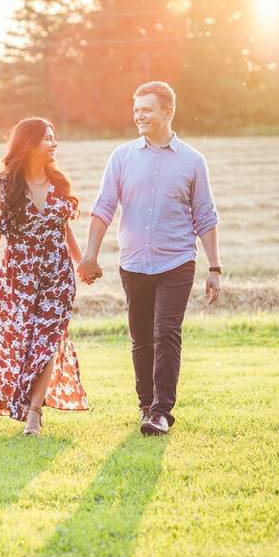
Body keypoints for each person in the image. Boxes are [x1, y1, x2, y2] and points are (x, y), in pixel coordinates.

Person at [77, 81, 221, 436]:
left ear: (167, 112)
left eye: (147, 109)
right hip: (134, 263)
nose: (138, 115)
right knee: (141, 338)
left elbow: (205, 215)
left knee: (167, 333)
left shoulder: (192, 161)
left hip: (177, 262)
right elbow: (104, 207)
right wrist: (90, 255)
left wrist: (214, 267)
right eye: (136, 108)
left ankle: (161, 411)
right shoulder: (122, 157)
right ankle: (146, 405)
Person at [0, 118, 88, 436]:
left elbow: (64, 230)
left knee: (47, 343)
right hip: (18, 279)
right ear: (29, 144)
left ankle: (34, 414)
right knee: (20, 344)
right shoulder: (3, 187)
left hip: (57, 277)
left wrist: (83, 263)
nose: (54, 144)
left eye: (54, 137)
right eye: (48, 139)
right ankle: (22, 402)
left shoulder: (59, 185)